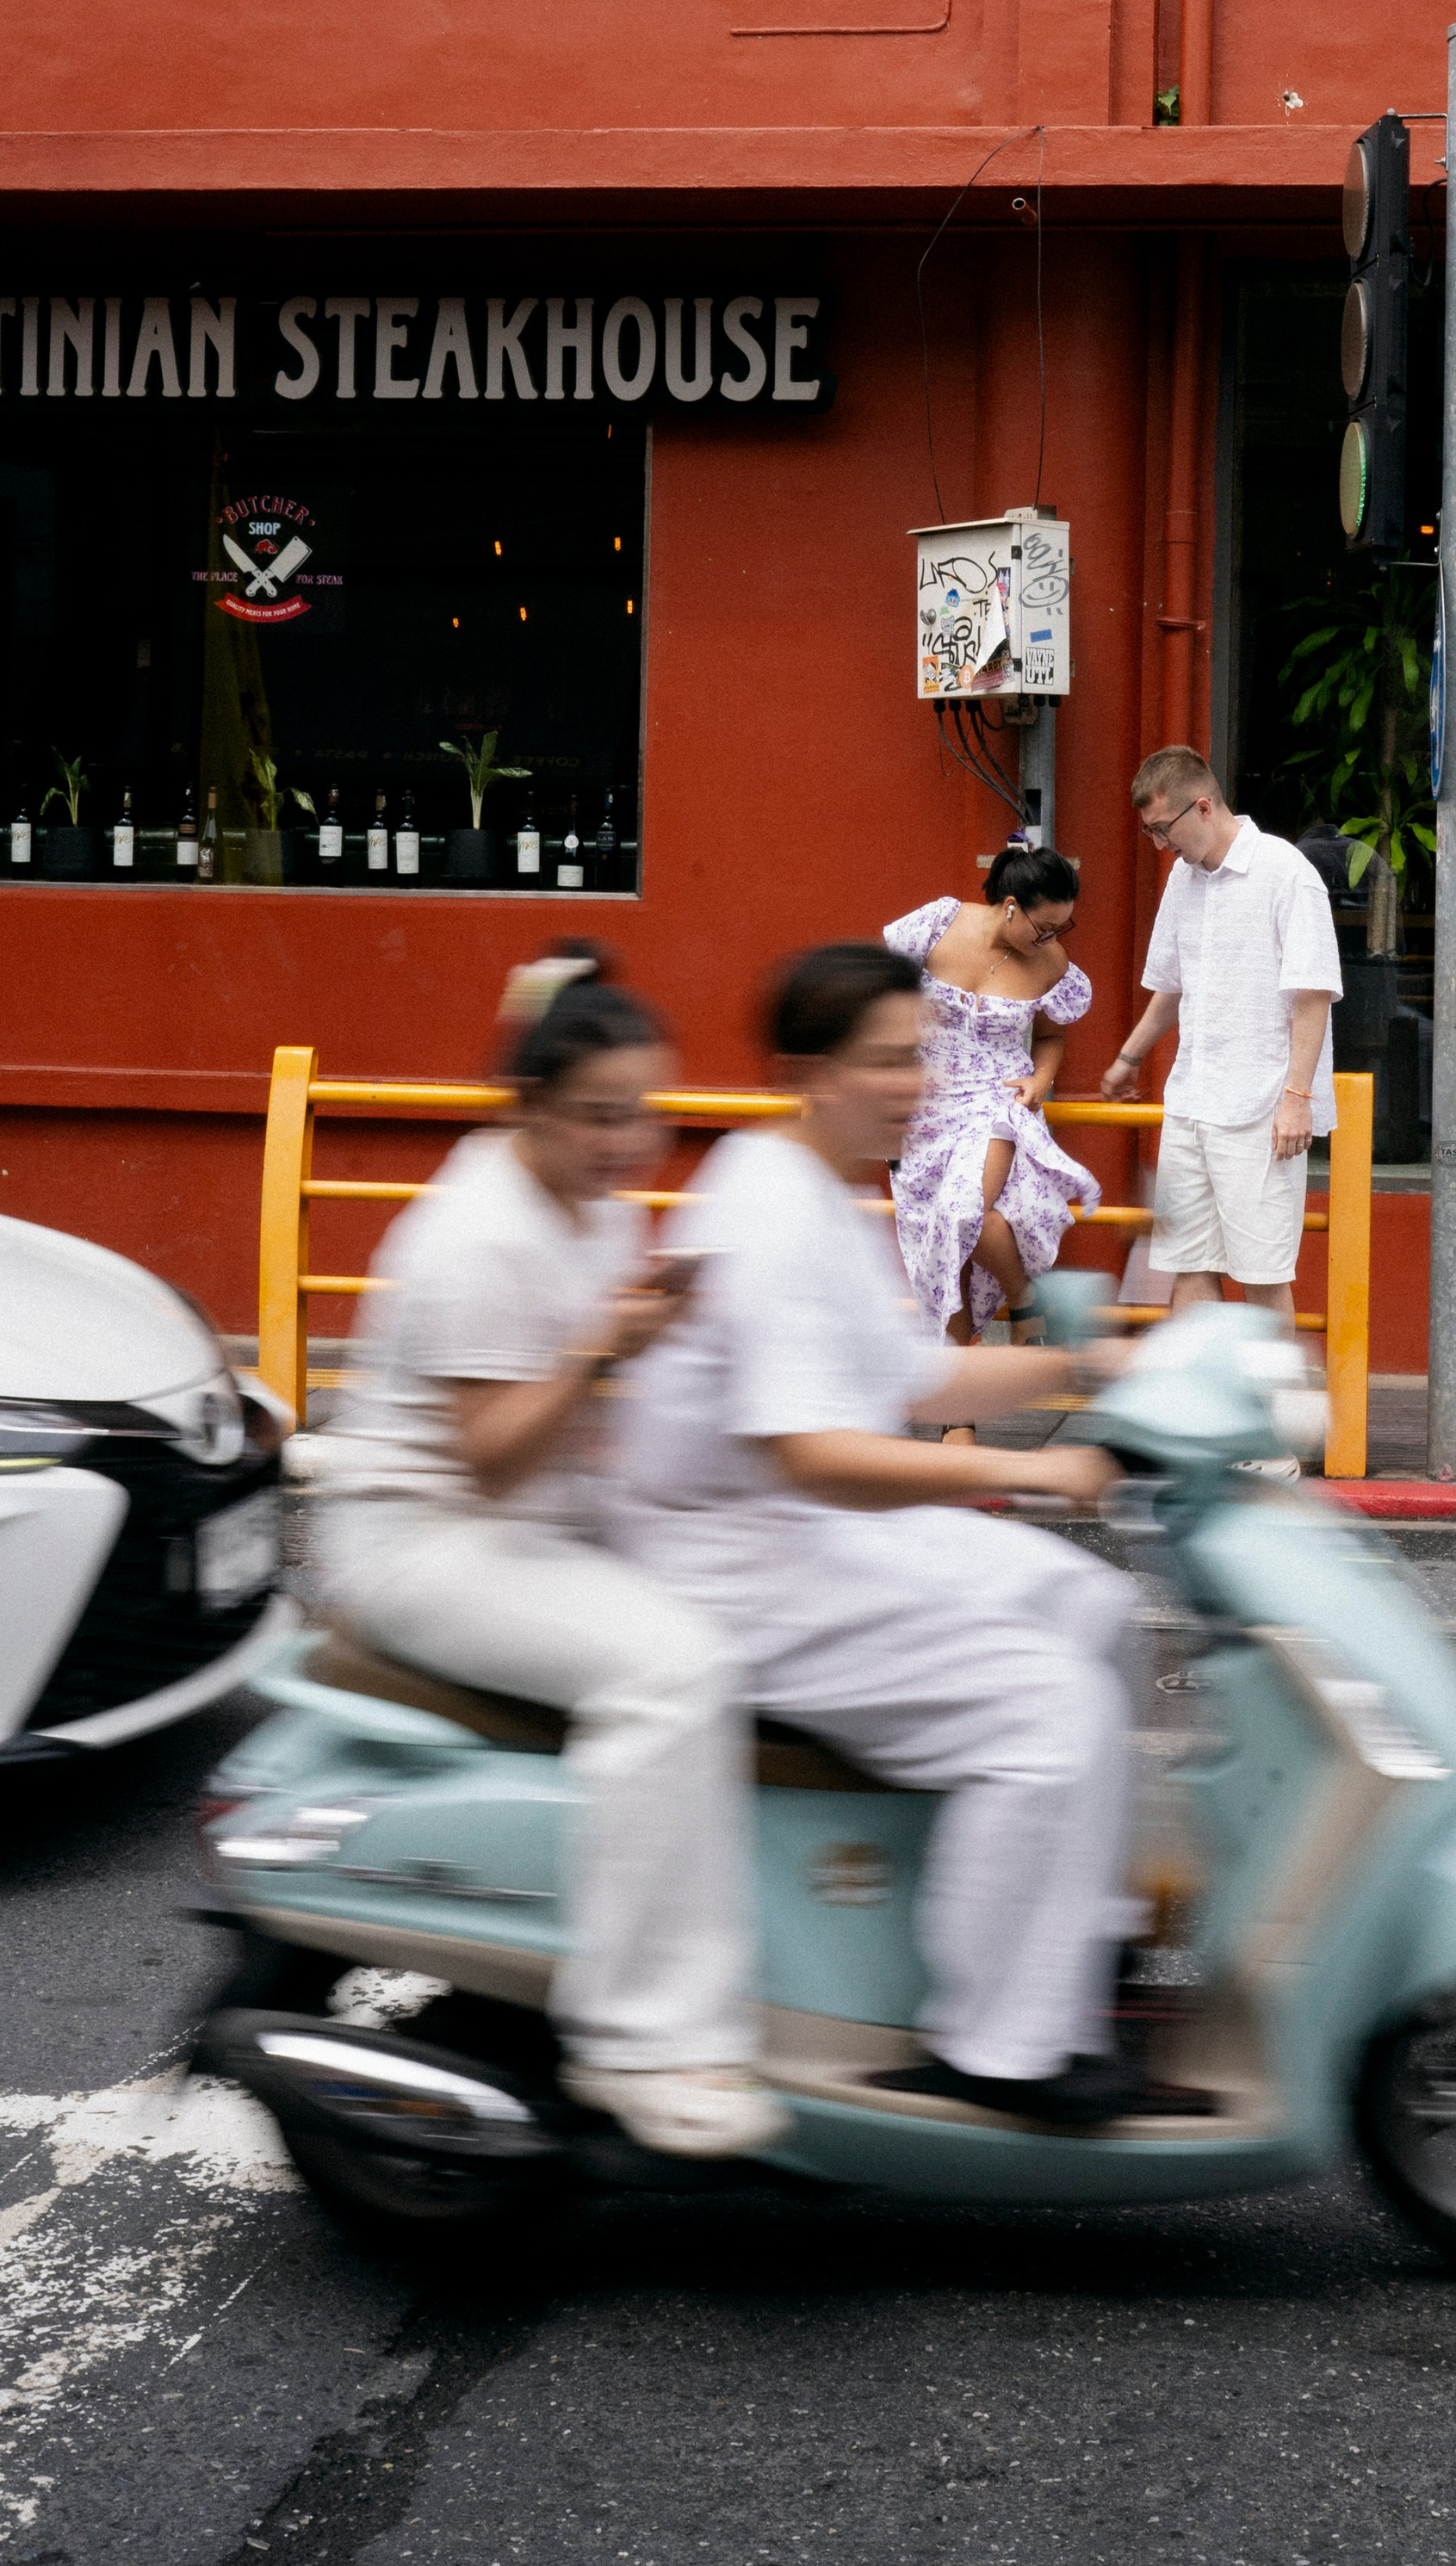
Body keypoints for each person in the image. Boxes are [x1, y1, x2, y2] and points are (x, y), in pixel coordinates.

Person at [615, 939, 1154, 2130]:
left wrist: (1084, 1360)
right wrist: (1058, 1466)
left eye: (921, 1057)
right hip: (741, 1564)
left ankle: (1080, 1938)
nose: (914, 1083)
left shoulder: (821, 1183)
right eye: (884, 1063)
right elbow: (813, 1453)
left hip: (802, 1533)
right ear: (807, 1073)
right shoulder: (765, 1207)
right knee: (1044, 1711)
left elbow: (900, 1379)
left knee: (1095, 1612)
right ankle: (1003, 2050)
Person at [310, 948, 777, 2163]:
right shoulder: (475, 1233)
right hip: (425, 1541)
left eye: (648, 1115)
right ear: (532, 1109)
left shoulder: (598, 1203)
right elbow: (494, 1461)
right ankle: (640, 2041)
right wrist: (609, 1351)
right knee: (671, 1670)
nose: (631, 1144)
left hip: (543, 1520)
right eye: (599, 1119)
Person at [1099, 747, 1342, 1319]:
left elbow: (1312, 996)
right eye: (1151, 833)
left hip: (1263, 1109)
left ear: (1203, 807)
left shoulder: (1286, 873)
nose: (1161, 846)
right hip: (1193, 1101)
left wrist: (1297, 1099)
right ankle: (1201, 1406)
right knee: (1189, 1270)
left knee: (1262, 1276)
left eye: (1163, 829)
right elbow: (1172, 987)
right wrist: (1128, 1057)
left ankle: (1271, 1407)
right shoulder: (1183, 881)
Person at [883, 848, 1101, 1377]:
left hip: (997, 1100)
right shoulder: (937, 924)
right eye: (1044, 926)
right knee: (943, 1239)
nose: (1052, 939)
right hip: (926, 1105)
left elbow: (1050, 1036)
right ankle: (959, 1409)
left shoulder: (1050, 963)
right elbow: (881, 990)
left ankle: (1024, 1303)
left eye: (1061, 927)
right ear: (1009, 906)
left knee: (960, 1211)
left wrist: (1040, 1081)